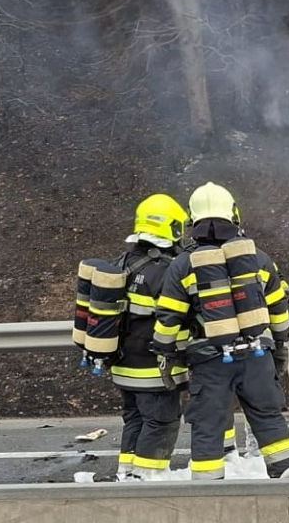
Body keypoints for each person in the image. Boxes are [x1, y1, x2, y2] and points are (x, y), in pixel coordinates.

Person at [151, 182, 289, 479]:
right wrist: (280, 347)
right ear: (234, 214)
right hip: (257, 355)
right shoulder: (259, 258)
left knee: (208, 430)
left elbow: (169, 319)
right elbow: (279, 312)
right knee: (270, 423)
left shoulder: (183, 265)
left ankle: (209, 502)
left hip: (210, 361)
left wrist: (166, 356)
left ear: (192, 220)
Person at [76, 194, 190, 480]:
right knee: (161, 422)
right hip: (154, 369)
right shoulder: (166, 272)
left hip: (122, 365)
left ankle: (126, 475)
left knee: (135, 419)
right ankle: (145, 482)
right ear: (173, 228)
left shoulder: (122, 262)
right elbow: (174, 319)